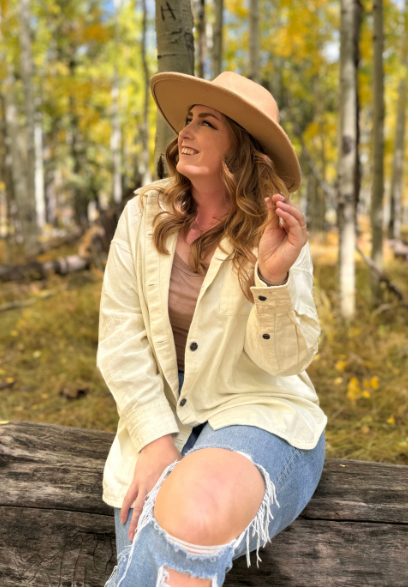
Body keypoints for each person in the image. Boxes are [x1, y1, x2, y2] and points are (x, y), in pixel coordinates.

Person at [98, 70, 326, 587]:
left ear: (240, 147)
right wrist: (155, 441)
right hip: (161, 419)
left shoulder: (278, 233)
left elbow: (284, 363)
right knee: (153, 540)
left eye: (207, 123)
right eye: (186, 120)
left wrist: (272, 278)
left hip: (260, 411)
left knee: (193, 511)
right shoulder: (143, 214)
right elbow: (119, 339)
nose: (187, 131)